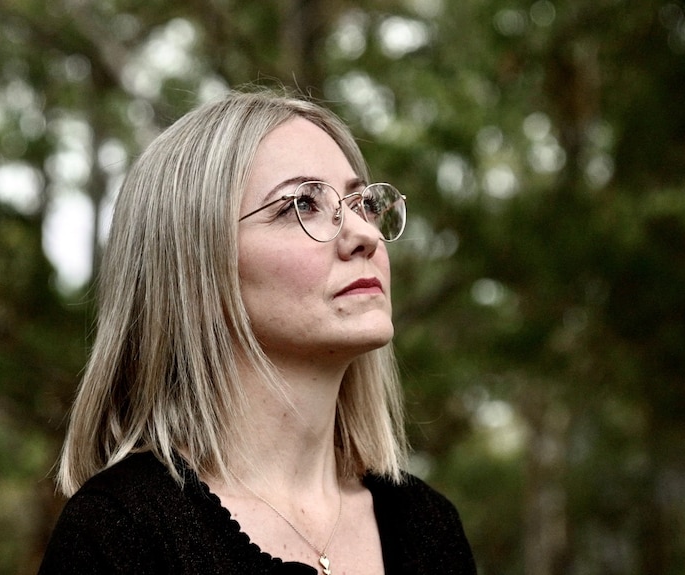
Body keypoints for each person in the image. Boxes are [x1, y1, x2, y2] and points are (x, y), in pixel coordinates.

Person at [39, 89, 476, 575]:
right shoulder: (119, 535)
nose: (366, 236)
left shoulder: (430, 528)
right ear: (195, 265)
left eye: (364, 205)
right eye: (302, 204)